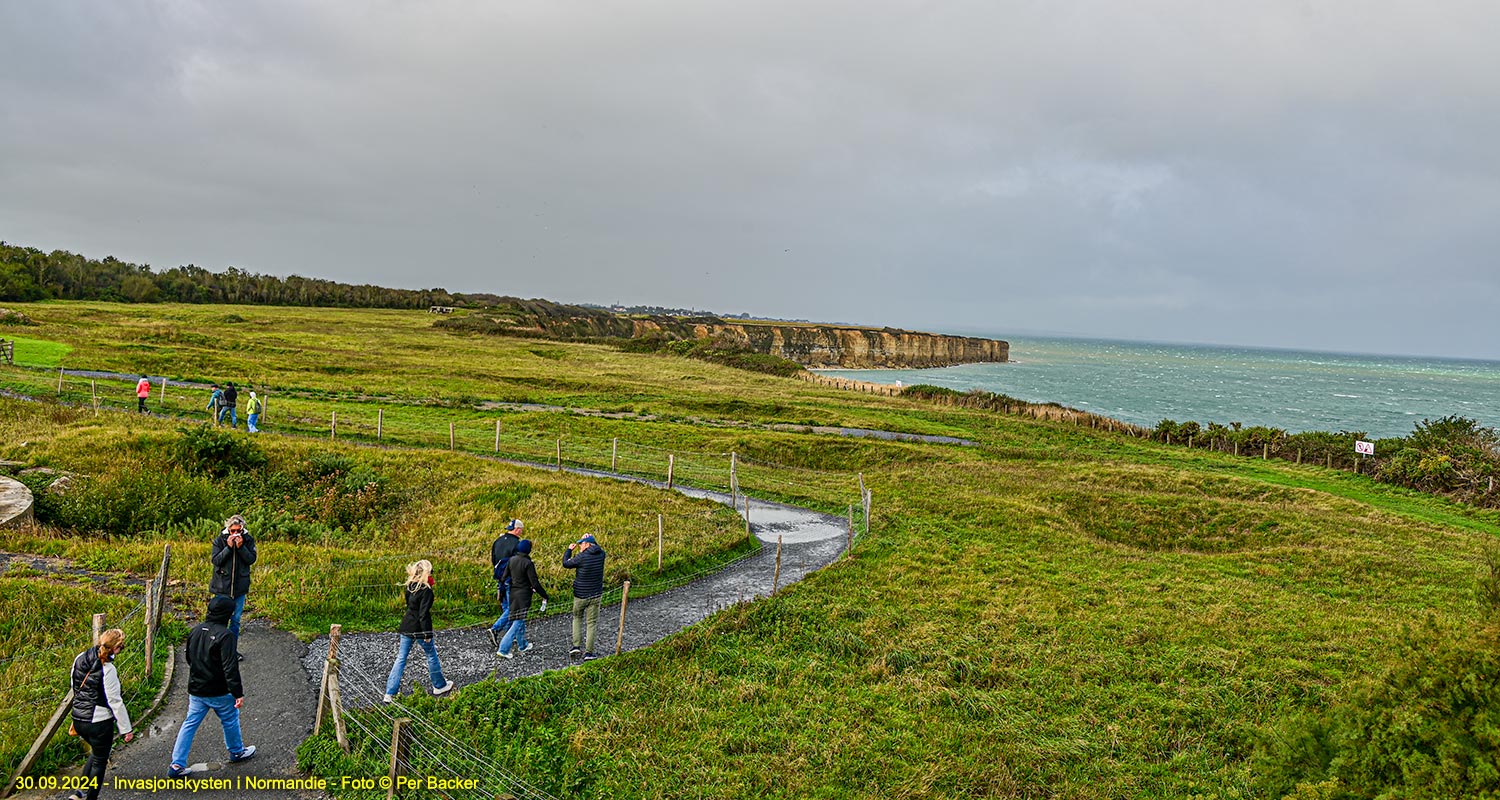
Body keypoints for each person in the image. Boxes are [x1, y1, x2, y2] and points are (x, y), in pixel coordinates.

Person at [167, 596, 256, 778]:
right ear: (227, 614)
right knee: (230, 719)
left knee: (189, 724)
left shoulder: (195, 630)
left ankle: (176, 764)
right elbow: (230, 667)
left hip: (196, 689)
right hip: (219, 691)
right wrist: (237, 692)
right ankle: (236, 751)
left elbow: (189, 658)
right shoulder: (226, 635)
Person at [68, 629, 134, 800]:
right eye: (121, 647)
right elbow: (115, 701)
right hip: (99, 722)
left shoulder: (80, 657)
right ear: (114, 649)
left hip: (79, 718)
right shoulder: (108, 669)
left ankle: (79, 792)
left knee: (97, 753)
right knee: (100, 761)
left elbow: (74, 685)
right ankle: (91, 797)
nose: (122, 650)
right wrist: (126, 729)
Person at [384, 560, 455, 703]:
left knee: (401, 658)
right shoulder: (426, 591)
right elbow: (423, 614)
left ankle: (390, 693)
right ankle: (439, 685)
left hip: (407, 625)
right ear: (427, 573)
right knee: (431, 655)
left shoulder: (410, 586)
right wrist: (427, 633)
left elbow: (410, 607)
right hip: (420, 628)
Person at [496, 539, 548, 659]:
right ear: (528, 550)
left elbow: (503, 577)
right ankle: (503, 649)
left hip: (513, 593)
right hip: (523, 595)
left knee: (517, 618)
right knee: (518, 621)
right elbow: (534, 583)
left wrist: (504, 588)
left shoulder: (511, 560)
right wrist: (544, 595)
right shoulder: (528, 563)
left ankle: (523, 645)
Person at [209, 515, 256, 645]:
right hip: (222, 586)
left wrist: (241, 547)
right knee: (220, 619)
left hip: (240, 587)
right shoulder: (219, 540)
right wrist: (228, 548)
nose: (235, 534)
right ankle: (217, 647)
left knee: (235, 620)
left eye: (238, 530)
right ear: (228, 529)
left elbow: (251, 559)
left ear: (242, 529)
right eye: (232, 531)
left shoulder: (248, 540)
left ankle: (231, 649)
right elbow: (216, 560)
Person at [562, 534, 607, 660]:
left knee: (577, 618)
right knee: (591, 623)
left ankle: (576, 646)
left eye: (581, 543)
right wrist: (592, 539)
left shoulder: (581, 557)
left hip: (580, 595)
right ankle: (589, 653)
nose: (580, 546)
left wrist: (569, 550)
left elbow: (566, 563)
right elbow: (599, 548)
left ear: (587, 544)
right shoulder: (601, 555)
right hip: (595, 594)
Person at [487, 519, 522, 650]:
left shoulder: (498, 541)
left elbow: (493, 559)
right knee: (513, 608)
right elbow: (518, 563)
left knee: (506, 606)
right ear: (517, 530)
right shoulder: (517, 544)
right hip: (511, 579)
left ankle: (509, 636)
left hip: (500, 578)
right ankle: (495, 629)